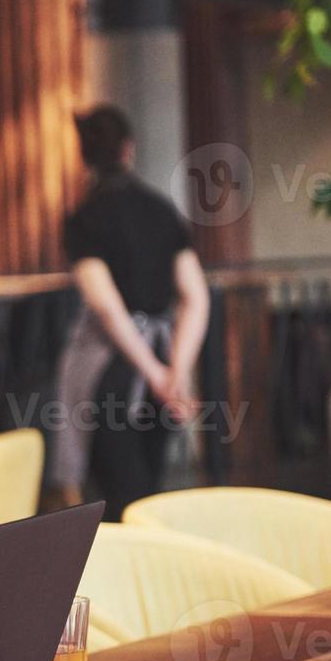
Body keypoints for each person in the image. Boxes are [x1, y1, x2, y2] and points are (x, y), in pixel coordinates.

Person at [49, 105, 211, 520]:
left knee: (120, 503)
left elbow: (105, 306)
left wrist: (156, 375)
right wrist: (174, 371)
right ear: (128, 149)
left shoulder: (85, 219)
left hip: (112, 374)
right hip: (159, 362)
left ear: (85, 157)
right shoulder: (161, 210)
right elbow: (195, 296)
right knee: (150, 494)